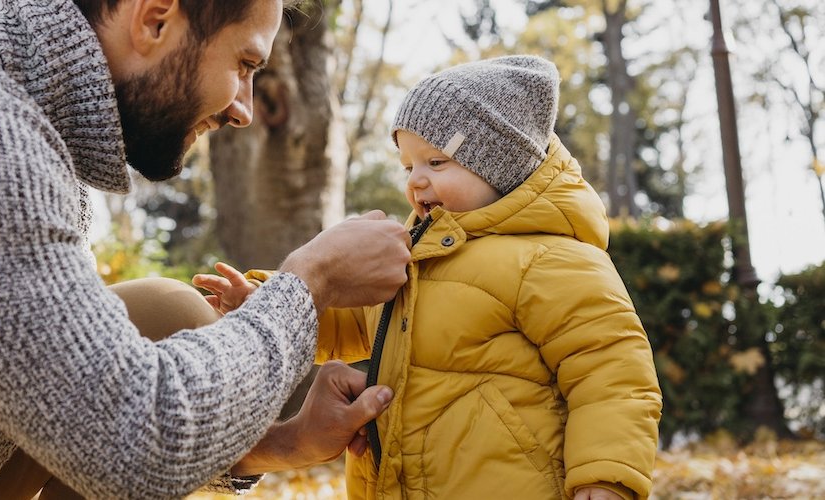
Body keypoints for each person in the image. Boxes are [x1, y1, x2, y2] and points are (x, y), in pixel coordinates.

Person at [0, 0, 413, 497]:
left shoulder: (15, 121)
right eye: (243, 63)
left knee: (165, 315)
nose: (243, 109)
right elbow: (131, 438)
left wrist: (279, 446)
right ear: (155, 20)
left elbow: (65, 385)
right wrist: (310, 283)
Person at [193, 56, 664, 499]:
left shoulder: (551, 258)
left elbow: (612, 373)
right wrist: (266, 302)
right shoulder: (412, 255)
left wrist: (605, 475)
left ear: (500, 165)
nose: (415, 181)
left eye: (436, 163)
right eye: (408, 165)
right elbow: (355, 321)